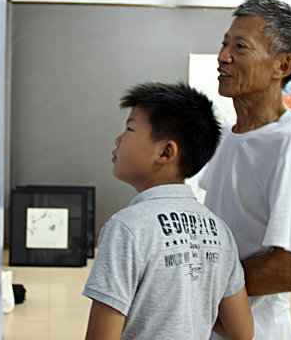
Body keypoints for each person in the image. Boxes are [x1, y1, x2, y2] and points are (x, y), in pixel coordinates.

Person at [83, 82, 254, 340]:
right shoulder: (219, 231)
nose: (118, 139)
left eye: (130, 128)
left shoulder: (126, 228)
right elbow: (242, 331)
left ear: (165, 152)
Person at [199, 0, 291, 339]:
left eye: (240, 47)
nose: (223, 57)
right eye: (225, 43)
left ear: (282, 65)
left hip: (257, 329)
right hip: (214, 325)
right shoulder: (228, 132)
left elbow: (290, 270)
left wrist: (197, 288)